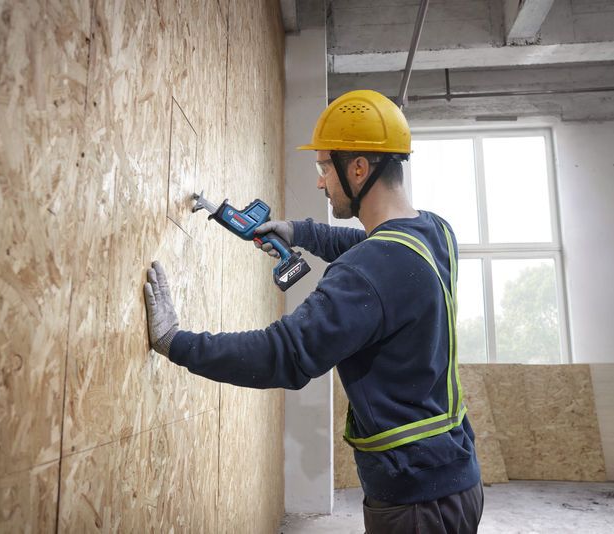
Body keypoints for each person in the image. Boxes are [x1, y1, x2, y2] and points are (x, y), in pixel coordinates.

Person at [143, 90, 483, 533]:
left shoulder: (368, 273)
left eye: (325, 167)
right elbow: (370, 249)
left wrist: (176, 341)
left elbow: (281, 355)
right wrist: (296, 231)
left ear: (358, 168)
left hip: (417, 502)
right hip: (455, 477)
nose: (321, 181)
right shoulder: (436, 232)